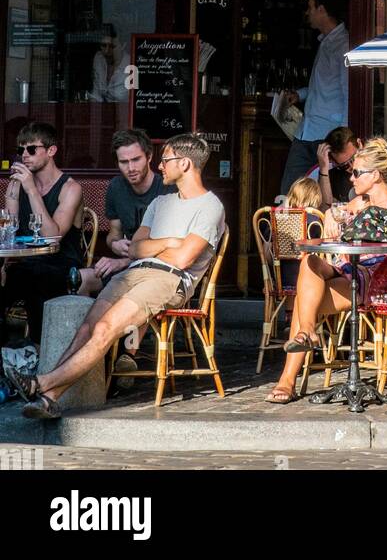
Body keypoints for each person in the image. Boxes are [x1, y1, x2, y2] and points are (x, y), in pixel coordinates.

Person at [5, 133, 225, 420]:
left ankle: (42, 384)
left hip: (168, 279)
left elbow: (183, 259)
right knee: (87, 328)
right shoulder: (161, 203)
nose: (160, 166)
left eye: (166, 160)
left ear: (184, 164)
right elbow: (135, 247)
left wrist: (154, 248)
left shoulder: (210, 206)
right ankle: (49, 398)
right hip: (134, 272)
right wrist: (170, 242)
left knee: (105, 329)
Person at [266, 137, 387, 403]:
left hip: (373, 279)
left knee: (302, 301)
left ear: (376, 175)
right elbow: (335, 210)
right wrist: (332, 216)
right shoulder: (357, 203)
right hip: (345, 267)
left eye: (356, 173)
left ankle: (288, 378)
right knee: (309, 261)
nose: (352, 178)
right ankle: (307, 332)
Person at [0, 124, 84, 344]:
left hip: (60, 264)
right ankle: (7, 353)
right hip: (25, 263)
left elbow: (52, 236)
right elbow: (8, 230)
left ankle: (37, 349)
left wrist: (31, 190)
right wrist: (14, 190)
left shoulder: (70, 188)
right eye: (20, 151)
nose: (24, 156)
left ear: (51, 151)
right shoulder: (18, 184)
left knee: (34, 278)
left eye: (31, 150)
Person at [77, 129, 167, 298]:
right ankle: (88, 324)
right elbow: (114, 233)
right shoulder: (116, 187)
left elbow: (170, 247)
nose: (131, 168)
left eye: (136, 159)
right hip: (127, 266)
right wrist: (115, 244)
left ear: (149, 157)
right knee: (81, 279)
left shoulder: (166, 188)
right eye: (124, 162)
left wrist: (122, 262)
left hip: (157, 268)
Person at [279, 0, 350, 195]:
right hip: (308, 131)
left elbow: (348, 93)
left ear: (322, 9)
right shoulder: (327, 41)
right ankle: (286, 226)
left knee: (321, 192)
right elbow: (324, 85)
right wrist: (299, 95)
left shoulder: (343, 44)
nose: (307, 13)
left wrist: (344, 137)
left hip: (327, 134)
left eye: (310, 7)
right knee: (290, 193)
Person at [313, 126, 359, 208]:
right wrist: (323, 169)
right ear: (334, 163)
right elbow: (325, 209)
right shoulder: (332, 177)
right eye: (345, 165)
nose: (353, 166)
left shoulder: (377, 164)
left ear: (360, 144)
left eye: (354, 158)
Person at [88, 24, 130, 104]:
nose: (107, 51)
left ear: (123, 45)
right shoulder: (99, 58)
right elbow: (96, 94)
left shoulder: (131, 64)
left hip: (124, 113)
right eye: (103, 45)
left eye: (112, 46)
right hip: (103, 112)